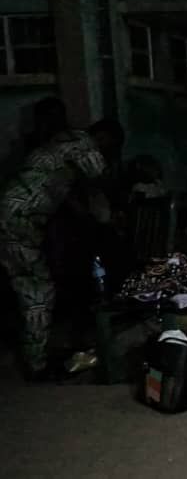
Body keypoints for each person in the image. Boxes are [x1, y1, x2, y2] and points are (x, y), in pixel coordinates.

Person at [0, 107, 125, 382]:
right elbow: (102, 179)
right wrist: (116, 210)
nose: (109, 153)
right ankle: (38, 366)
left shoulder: (60, 147)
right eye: (111, 147)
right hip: (18, 220)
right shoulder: (83, 142)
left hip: (11, 216)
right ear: (104, 138)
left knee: (27, 285)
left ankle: (37, 354)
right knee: (38, 292)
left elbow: (71, 201)